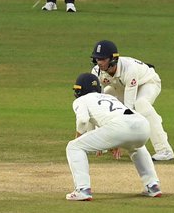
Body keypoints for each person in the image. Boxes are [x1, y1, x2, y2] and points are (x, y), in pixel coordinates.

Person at [64, 73, 162, 202]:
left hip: (119, 127)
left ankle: (82, 189)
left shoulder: (81, 100)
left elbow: (83, 120)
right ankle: (152, 185)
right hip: (142, 124)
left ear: (79, 90)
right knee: (136, 147)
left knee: (74, 146)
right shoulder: (109, 97)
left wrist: (78, 137)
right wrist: (115, 142)